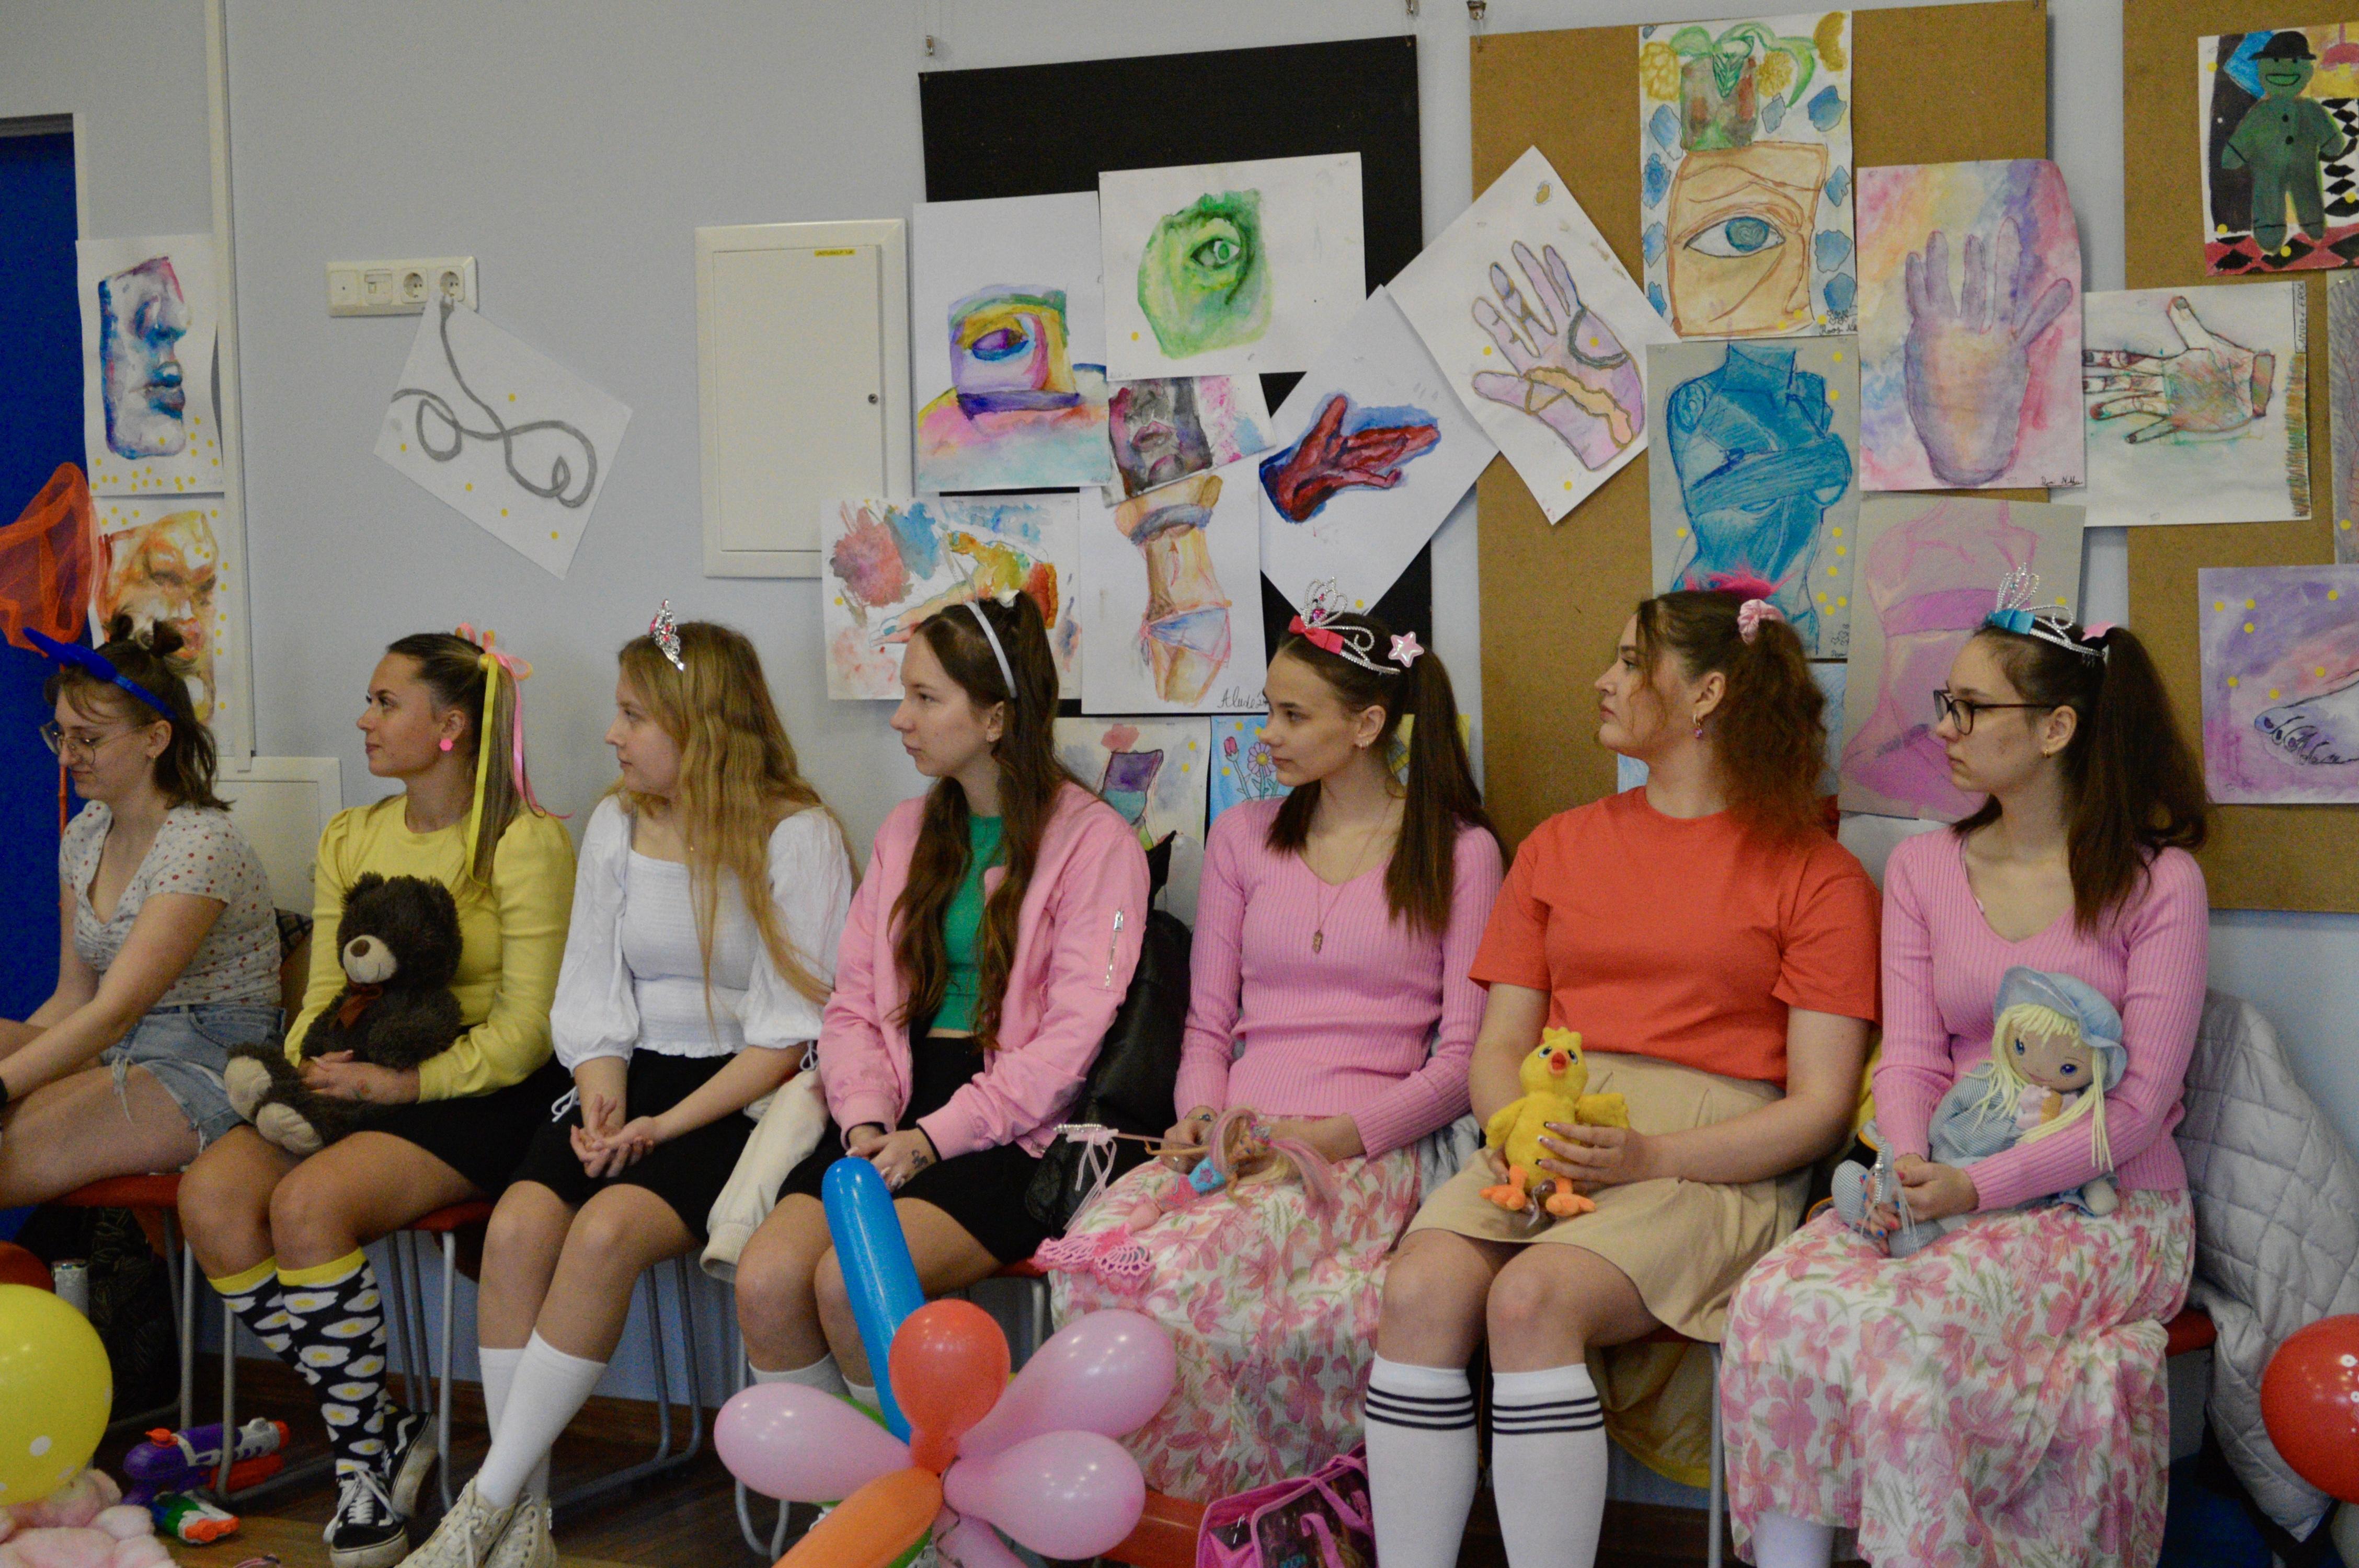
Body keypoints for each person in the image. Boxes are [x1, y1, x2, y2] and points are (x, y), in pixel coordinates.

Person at [1365, 591, 1880, 1568]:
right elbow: (1497, 1046)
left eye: (1631, 660)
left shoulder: (1818, 875)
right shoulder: (1560, 844)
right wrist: (1515, 1133)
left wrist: (1647, 1155)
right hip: (1548, 1134)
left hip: (1710, 1160)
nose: (1603, 680)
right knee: (1419, 1285)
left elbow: (1818, 1111)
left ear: (1707, 693)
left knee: (1533, 1299)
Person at [1721, 588, 2209, 1568]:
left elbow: (2136, 1109)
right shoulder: (1922, 869)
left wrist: (1973, 1188)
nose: (1944, 728)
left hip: (2106, 1207)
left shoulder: (2159, 884)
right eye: (1947, 702)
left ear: (2056, 729)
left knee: (1906, 1326)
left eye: (1971, 709)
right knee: (1774, 1301)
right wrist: (1909, 1169)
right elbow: (1908, 1055)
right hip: (1937, 1184)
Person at [404, 614, 855, 1568]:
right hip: (630, 1074)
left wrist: (657, 1127)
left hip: (739, 1095)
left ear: (703, 725)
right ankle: (524, 1519)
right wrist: (603, 1097)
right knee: (518, 1227)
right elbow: (593, 990)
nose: (612, 735)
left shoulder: (797, 833)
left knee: (605, 1232)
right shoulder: (618, 821)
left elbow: (788, 1039)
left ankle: (480, 1510)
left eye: (635, 717)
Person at [1044, 594, 1503, 1501]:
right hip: (1236, 1145)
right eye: (1268, 709)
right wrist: (1203, 1120)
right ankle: (1147, 1522)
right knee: (1094, 1269)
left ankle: (1235, 1516)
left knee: (1184, 1288)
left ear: (1367, 725)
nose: (1268, 734)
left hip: (1359, 1154)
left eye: (1293, 715)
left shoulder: (1461, 853)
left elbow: (1459, 1067)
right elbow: (1208, 1025)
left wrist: (1325, 1138)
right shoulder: (1244, 837)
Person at [177, 628, 574, 1568]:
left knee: (307, 1207)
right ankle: (386, 1429)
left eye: (386, 702)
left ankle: (360, 1469)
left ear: (451, 726)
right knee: (212, 1197)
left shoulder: (526, 842)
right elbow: (322, 992)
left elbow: (529, 1030)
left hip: (477, 1091)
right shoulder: (351, 835)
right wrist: (307, 1072)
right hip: (353, 1077)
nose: (364, 719)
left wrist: (403, 1082)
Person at [731, 591, 1148, 1414]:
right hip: (894, 1102)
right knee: (767, 1280)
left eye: (925, 698)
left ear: (994, 719)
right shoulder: (905, 831)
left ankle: (916, 1487)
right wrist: (865, 1121)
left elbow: (1068, 1047)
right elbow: (854, 1008)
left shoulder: (1097, 842)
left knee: (848, 1284)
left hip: (1017, 1132)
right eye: (905, 695)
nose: (901, 719)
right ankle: (847, 1483)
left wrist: (930, 1142)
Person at [0, 617, 278, 1201]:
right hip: (119, 1044)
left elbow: (114, 1011)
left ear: (156, 739)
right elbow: (73, 999)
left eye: (89, 739)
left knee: (10, 1149)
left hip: (210, 1059)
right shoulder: (85, 832)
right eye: (61, 735)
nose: (67, 756)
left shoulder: (201, 843)